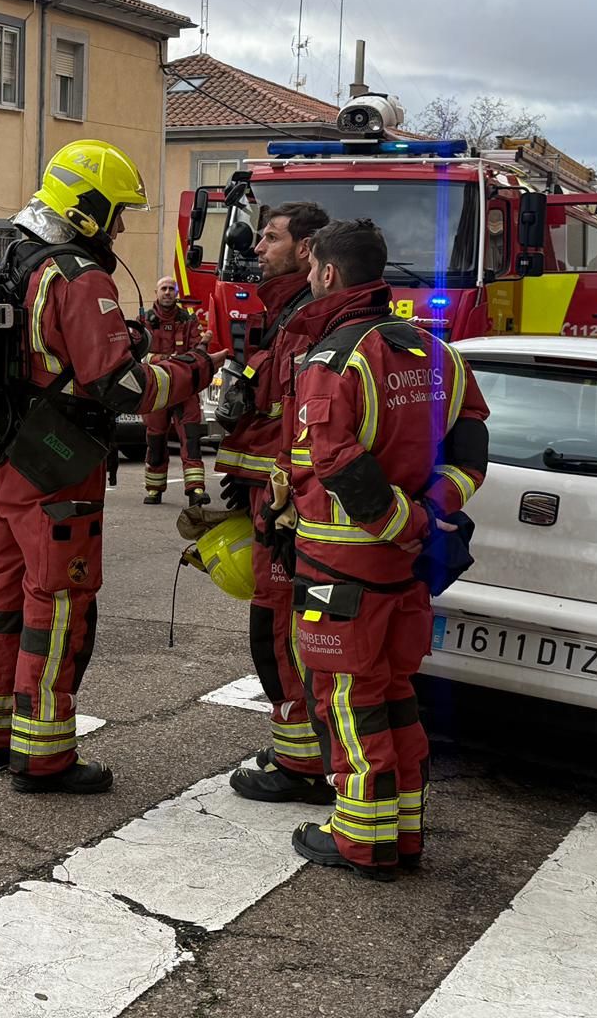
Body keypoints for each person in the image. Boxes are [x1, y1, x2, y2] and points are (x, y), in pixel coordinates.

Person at [0, 140, 225, 794]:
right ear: (86, 209)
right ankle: (44, 755)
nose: (119, 228)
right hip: (57, 471)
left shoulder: (16, 262)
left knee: (2, 604)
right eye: (115, 213)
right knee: (57, 610)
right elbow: (122, 388)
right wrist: (194, 370)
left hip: (4, 463)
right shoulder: (80, 276)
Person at [269, 219, 489, 879]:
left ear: (329, 274)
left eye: (312, 272)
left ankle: (361, 839)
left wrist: (403, 523)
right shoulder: (435, 351)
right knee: (394, 693)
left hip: (344, 567)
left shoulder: (337, 358)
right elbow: (472, 444)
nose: (308, 281)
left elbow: (334, 459)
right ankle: (403, 829)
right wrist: (432, 511)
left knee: (346, 698)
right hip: (404, 572)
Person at [212, 202, 334, 804]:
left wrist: (275, 494)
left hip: (287, 505)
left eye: (272, 238)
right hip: (276, 496)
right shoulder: (287, 312)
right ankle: (302, 751)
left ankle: (304, 767)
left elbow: (295, 427)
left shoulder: (304, 320)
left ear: (308, 249)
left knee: (280, 629)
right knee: (280, 628)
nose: (258, 248)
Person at [140, 277, 211, 506]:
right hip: (157, 389)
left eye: (172, 289)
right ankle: (154, 489)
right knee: (156, 439)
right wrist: (170, 360)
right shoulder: (145, 322)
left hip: (184, 389)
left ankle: (196, 489)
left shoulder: (188, 320)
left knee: (191, 439)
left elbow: (197, 351)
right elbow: (141, 355)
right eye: (164, 289)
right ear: (156, 292)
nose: (168, 292)